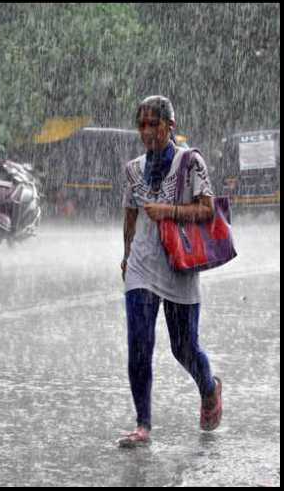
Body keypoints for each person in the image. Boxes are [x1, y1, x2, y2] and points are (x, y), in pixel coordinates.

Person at [118, 96, 223, 448]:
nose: (147, 131)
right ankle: (143, 424)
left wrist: (167, 210)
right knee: (139, 345)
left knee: (184, 347)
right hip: (142, 266)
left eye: (154, 124)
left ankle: (209, 389)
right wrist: (126, 254)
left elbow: (207, 209)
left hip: (179, 265)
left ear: (170, 126)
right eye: (142, 125)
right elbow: (131, 212)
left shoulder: (190, 161)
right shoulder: (133, 169)